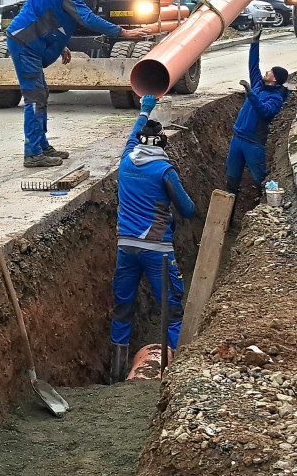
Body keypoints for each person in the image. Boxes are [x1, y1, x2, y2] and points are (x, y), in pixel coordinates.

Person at [6, 0, 148, 168]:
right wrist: (122, 32)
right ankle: (33, 153)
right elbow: (87, 18)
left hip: (29, 39)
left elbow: (46, 15)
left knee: (41, 94)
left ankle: (42, 146)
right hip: (25, 43)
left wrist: (59, 44)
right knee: (35, 98)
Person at [109, 94, 195, 383]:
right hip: (157, 251)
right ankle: (175, 372)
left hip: (126, 248)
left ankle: (117, 372)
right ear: (161, 144)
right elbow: (188, 209)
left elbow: (134, 134)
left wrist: (145, 108)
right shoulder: (164, 170)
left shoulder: (126, 160)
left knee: (123, 306)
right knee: (171, 307)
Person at [225, 27, 290, 192]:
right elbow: (253, 65)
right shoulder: (258, 84)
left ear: (274, 79)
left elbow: (264, 111)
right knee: (231, 179)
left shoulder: (276, 98)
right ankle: (228, 210)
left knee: (258, 180)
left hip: (253, 144)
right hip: (237, 139)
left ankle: (260, 206)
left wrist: (251, 94)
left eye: (270, 71)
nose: (266, 71)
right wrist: (254, 42)